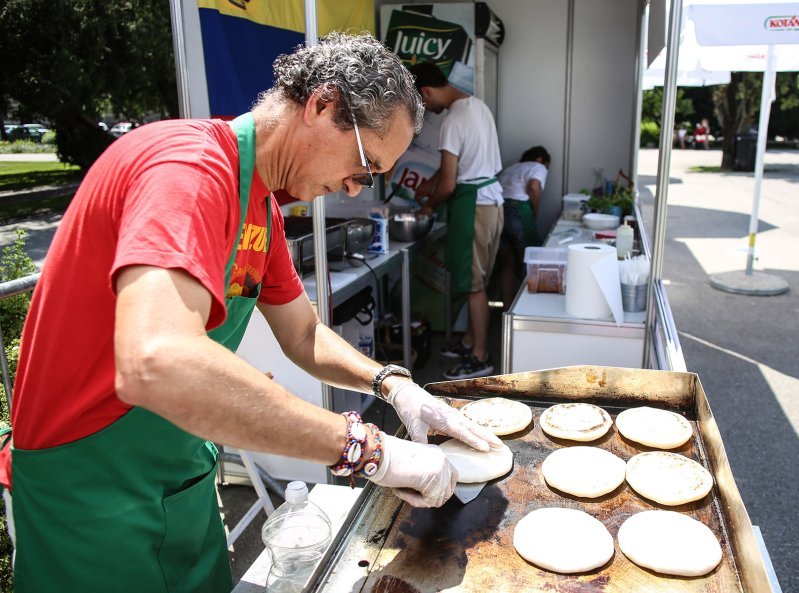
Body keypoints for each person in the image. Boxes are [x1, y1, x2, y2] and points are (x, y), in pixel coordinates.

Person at [0, 33, 502, 592]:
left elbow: (304, 332)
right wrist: (367, 449)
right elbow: (157, 360)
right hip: (89, 490)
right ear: (322, 103)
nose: (358, 189)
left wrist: (395, 386)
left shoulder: (258, 203)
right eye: (365, 166)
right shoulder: (188, 168)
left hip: (179, 472)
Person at [409, 61, 504, 381]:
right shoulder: (477, 106)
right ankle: (468, 341)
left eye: (424, 103)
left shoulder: (451, 121)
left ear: (427, 91)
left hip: (473, 204)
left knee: (473, 285)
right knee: (477, 278)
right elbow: (458, 164)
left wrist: (427, 206)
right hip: (492, 201)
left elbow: (450, 185)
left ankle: (480, 357)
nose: (428, 108)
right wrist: (430, 181)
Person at [496, 146, 551, 306]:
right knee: (528, 262)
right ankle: (528, 309)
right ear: (544, 161)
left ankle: (507, 309)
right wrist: (535, 211)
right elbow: (533, 187)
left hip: (498, 212)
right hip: (518, 211)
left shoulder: (510, 168)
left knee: (507, 264)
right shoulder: (539, 167)